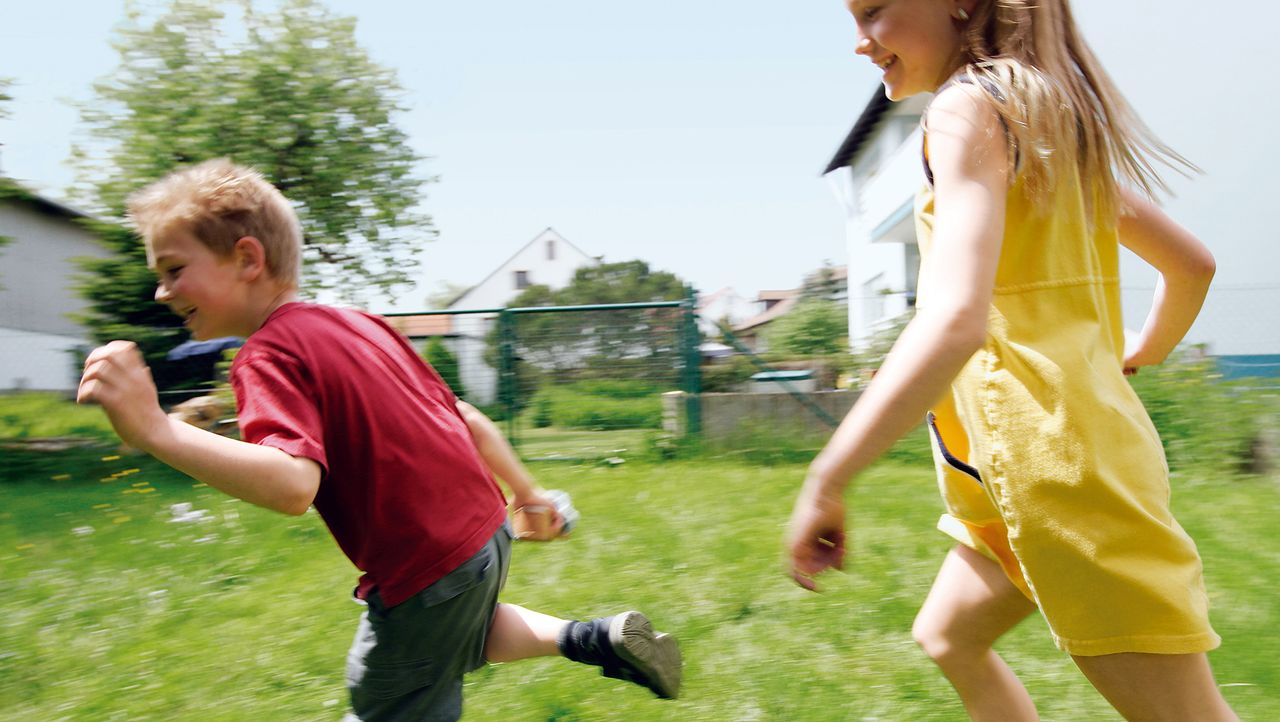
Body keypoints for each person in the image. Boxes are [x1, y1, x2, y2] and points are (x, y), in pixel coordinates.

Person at [77, 158, 681, 721]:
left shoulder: (267, 354)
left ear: (247, 258)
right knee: (454, 637)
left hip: (426, 568)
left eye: (174, 270)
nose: (162, 292)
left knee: (388, 694)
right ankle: (596, 639)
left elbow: (291, 484)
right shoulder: (357, 323)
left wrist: (155, 430)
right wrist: (527, 493)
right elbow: (462, 415)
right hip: (483, 535)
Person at [787, 1, 1236, 720]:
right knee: (947, 636)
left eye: (875, 11)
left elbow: (955, 318)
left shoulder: (965, 111)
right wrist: (1140, 355)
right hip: (1020, 478)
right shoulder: (1042, 122)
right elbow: (1192, 266)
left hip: (1058, 484)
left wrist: (828, 475)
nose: (860, 42)